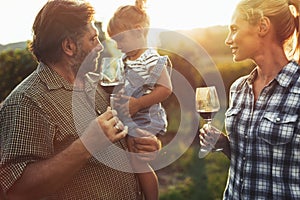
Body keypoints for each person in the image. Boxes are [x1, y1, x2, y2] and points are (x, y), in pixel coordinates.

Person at [0, 0, 162, 199]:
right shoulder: (27, 102)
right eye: (93, 39)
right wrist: (86, 145)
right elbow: (15, 190)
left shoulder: (97, 84)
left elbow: (122, 140)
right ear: (69, 46)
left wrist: (140, 145)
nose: (101, 47)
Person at [199, 0, 300, 199]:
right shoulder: (238, 89)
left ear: (262, 26)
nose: (228, 40)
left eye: (234, 29)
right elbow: (249, 155)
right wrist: (224, 144)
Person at [106, 0, 173, 199]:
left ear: (137, 31)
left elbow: (166, 89)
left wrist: (138, 104)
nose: (117, 46)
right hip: (131, 117)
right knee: (129, 160)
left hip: (145, 117)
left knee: (138, 162)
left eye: (120, 39)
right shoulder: (125, 60)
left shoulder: (151, 58)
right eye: (114, 41)